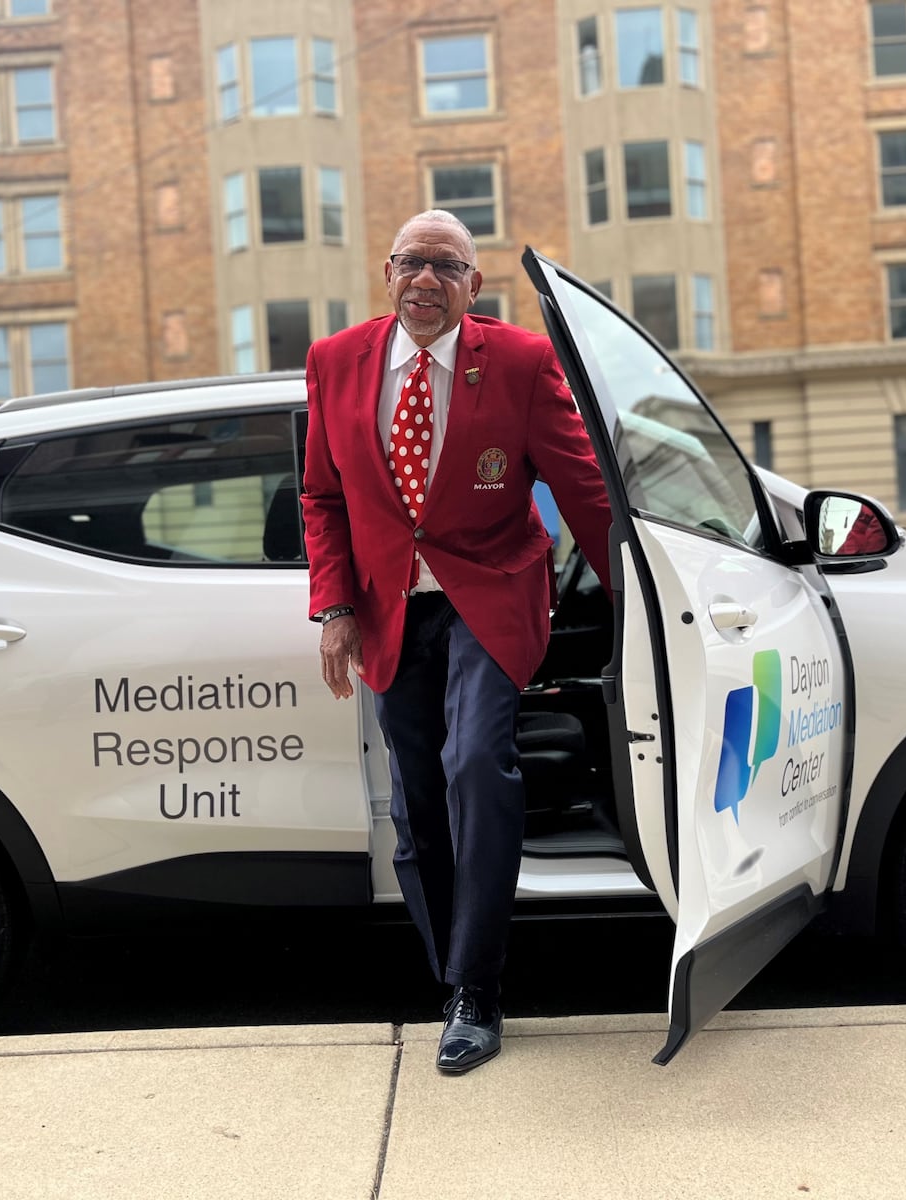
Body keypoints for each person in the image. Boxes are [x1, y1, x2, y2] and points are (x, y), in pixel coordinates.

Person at [301, 210, 614, 1074]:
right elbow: (322, 499)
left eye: (446, 266)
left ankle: (478, 990)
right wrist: (334, 608)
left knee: (476, 763)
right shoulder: (335, 363)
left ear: (474, 287)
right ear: (387, 271)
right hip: (389, 609)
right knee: (415, 809)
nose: (425, 281)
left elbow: (582, 483)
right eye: (411, 263)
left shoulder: (516, 360)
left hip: (489, 592)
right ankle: (454, 976)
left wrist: (645, 587)